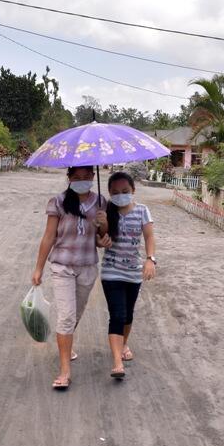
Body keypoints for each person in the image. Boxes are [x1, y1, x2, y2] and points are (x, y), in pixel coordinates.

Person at [32, 166, 109, 390]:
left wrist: (104, 223)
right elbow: (49, 237)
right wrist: (38, 269)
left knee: (76, 313)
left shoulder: (100, 202)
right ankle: (65, 371)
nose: (82, 181)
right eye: (76, 178)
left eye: (86, 177)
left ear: (93, 177)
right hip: (62, 266)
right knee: (66, 316)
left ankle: (67, 344)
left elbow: (101, 237)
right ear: (69, 178)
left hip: (87, 266)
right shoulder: (58, 202)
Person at [100, 171, 156, 379]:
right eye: (115, 192)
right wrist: (100, 237)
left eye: (125, 191)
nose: (120, 195)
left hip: (133, 272)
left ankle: (124, 344)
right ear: (109, 193)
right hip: (111, 271)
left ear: (133, 190)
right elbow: (98, 239)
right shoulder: (105, 211)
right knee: (117, 315)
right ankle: (117, 362)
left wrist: (150, 259)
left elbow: (149, 237)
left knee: (128, 314)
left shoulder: (142, 211)